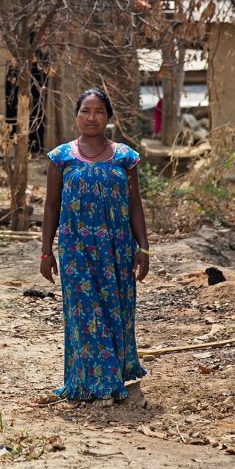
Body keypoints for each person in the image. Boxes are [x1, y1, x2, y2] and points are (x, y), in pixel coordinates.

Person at [40, 88, 150, 403]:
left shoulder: (125, 157)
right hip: (76, 250)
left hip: (116, 248)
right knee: (83, 312)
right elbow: (50, 206)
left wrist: (143, 247)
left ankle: (112, 377)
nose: (92, 117)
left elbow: (135, 204)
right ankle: (87, 382)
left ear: (108, 117)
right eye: (86, 110)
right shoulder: (61, 158)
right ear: (76, 116)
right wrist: (47, 252)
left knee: (116, 310)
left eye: (99, 111)